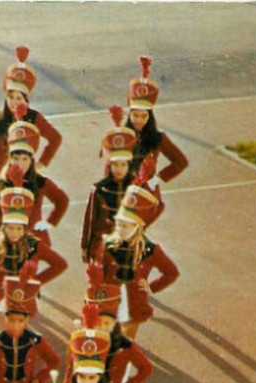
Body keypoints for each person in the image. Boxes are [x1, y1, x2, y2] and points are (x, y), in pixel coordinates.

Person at [0, 170, 67, 334]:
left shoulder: (35, 245)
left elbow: (60, 264)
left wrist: (35, 282)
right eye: (11, 228)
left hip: (23, 299)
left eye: (19, 228)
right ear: (4, 228)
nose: (15, 232)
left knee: (16, 341)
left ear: (25, 229)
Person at [99, 165, 179, 341]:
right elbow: (100, 269)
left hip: (133, 301)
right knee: (106, 338)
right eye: (118, 224)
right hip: (110, 298)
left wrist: (152, 286)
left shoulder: (150, 250)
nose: (120, 229)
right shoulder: (109, 244)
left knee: (127, 340)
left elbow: (171, 272)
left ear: (137, 227)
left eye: (125, 226)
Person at [0, 107, 70, 248]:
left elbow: (62, 200)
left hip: (33, 241)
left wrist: (50, 221)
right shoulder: (0, 183)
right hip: (8, 240)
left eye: (24, 159)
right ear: (9, 159)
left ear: (31, 160)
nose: (20, 164)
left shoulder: (40, 182)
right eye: (16, 158)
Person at [0, 46, 62, 181]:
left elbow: (55, 138)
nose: (14, 102)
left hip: (23, 176)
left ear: (26, 99)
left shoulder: (34, 118)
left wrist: (40, 163)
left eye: (19, 98)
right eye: (11, 97)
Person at [81, 107, 141, 263]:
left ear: (129, 165)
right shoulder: (99, 189)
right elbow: (90, 221)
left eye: (123, 165)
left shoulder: (136, 187)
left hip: (129, 244)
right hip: (102, 245)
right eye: (115, 165)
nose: (119, 169)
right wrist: (85, 248)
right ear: (109, 165)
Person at [125, 55, 189, 183]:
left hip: (146, 193)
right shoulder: (121, 136)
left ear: (150, 117)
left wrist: (158, 179)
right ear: (129, 115)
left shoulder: (158, 137)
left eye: (144, 116)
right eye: (135, 115)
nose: (139, 120)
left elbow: (181, 162)